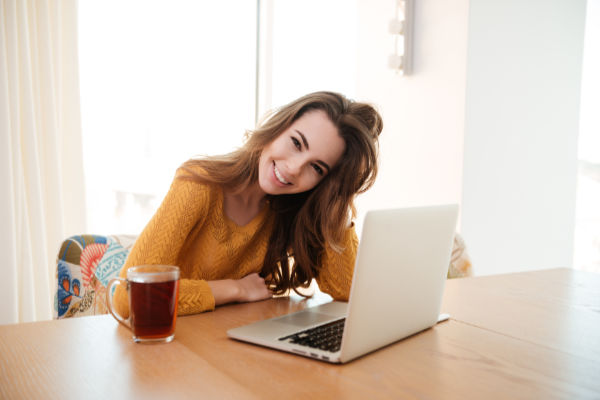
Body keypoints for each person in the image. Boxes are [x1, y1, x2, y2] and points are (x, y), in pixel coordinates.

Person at [113, 91, 383, 317]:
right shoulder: (199, 184)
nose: (292, 169)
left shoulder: (293, 212)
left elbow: (347, 291)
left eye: (317, 167)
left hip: (223, 346)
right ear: (277, 128)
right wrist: (236, 289)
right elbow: (129, 299)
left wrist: (338, 196)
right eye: (296, 143)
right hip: (162, 348)